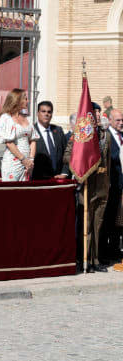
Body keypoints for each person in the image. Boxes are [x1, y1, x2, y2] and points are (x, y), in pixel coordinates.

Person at [65, 103, 110, 272]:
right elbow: (67, 156)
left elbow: (109, 162)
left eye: (99, 113)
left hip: (102, 186)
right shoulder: (80, 135)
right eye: (94, 113)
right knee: (86, 226)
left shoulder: (105, 135)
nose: (98, 116)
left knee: (97, 225)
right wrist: (80, 165)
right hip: (87, 186)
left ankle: (95, 259)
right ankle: (84, 259)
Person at [0, 88, 39, 182]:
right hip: (13, 162)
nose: (27, 101)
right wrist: (23, 159)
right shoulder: (6, 118)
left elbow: (33, 140)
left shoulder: (27, 117)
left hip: (27, 164)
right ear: (17, 100)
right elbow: (9, 143)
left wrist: (31, 160)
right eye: (25, 98)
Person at [31, 101, 69, 180]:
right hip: (38, 180)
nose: (46, 114)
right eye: (43, 111)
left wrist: (64, 172)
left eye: (49, 112)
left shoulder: (58, 130)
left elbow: (67, 153)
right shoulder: (31, 131)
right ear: (38, 113)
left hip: (58, 179)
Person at [104, 109, 123, 263]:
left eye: (122, 120)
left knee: (119, 220)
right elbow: (110, 157)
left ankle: (116, 251)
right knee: (109, 219)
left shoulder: (121, 136)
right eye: (117, 120)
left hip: (121, 186)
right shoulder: (106, 137)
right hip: (112, 185)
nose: (121, 123)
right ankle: (106, 252)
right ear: (109, 120)